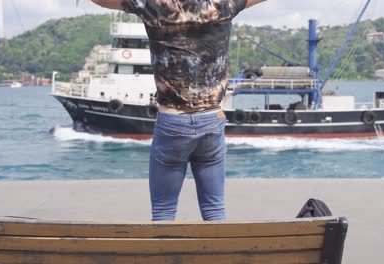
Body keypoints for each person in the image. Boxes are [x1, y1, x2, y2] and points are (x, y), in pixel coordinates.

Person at [91, 0, 267, 221]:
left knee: (163, 212)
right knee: (215, 210)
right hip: (212, 119)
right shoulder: (222, 3)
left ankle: (166, 255)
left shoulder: (153, 4)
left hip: (172, 122)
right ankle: (219, 255)